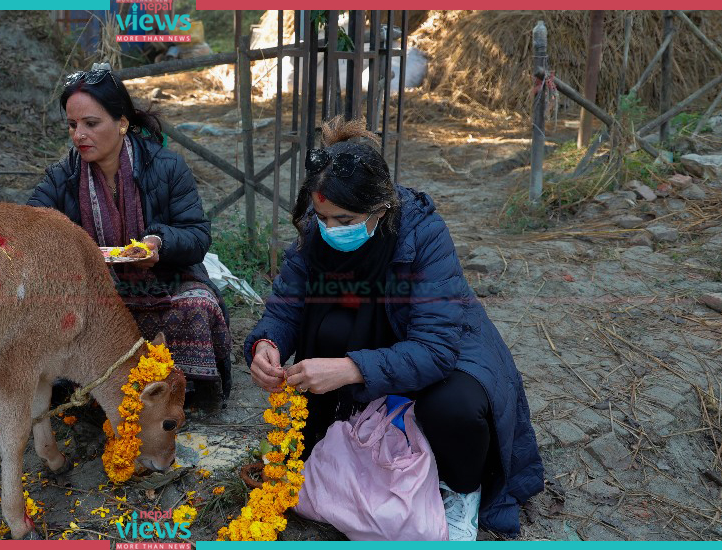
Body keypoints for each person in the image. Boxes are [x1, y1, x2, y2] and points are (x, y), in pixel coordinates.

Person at [245, 117, 543, 540]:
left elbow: (436, 348)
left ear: (380, 209)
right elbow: (287, 305)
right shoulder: (317, 233)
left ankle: (461, 489)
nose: (330, 230)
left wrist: (351, 369)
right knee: (324, 327)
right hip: (377, 351)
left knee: (452, 409)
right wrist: (265, 344)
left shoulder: (424, 234)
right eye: (323, 217)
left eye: (343, 219)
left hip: (444, 351)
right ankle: (351, 432)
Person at [28, 64, 232, 399]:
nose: (79, 134)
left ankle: (184, 388)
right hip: (97, 291)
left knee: (197, 304)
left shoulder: (167, 167)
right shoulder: (62, 176)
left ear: (122, 122)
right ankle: (93, 388)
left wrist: (159, 243)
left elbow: (196, 235)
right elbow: (31, 225)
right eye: (72, 124)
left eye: (91, 123)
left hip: (165, 281)